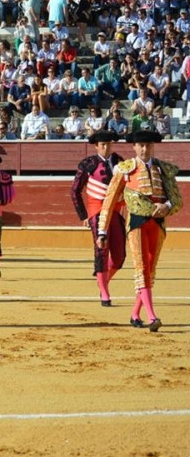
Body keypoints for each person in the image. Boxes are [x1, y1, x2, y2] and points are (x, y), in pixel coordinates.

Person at [96, 130, 183, 332]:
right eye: (141, 146)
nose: (145, 149)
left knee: (150, 269)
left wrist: (167, 206)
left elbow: (177, 200)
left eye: (148, 146)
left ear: (153, 147)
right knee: (141, 267)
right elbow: (108, 203)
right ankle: (152, 317)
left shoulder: (163, 169)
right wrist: (102, 231)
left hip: (158, 224)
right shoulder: (125, 169)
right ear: (134, 147)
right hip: (136, 223)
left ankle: (136, 313)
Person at [70, 131, 126, 307]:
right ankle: (104, 291)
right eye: (102, 144)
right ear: (96, 146)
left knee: (120, 256)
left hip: (115, 211)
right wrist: (84, 215)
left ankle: (103, 281)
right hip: (97, 211)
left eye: (108, 143)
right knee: (101, 250)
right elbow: (75, 191)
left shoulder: (120, 161)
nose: (106, 147)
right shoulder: (88, 164)